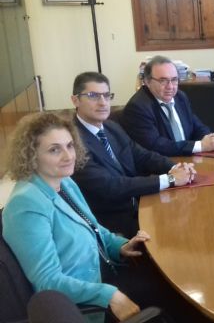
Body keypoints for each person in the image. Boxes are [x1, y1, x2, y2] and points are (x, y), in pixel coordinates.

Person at [2, 112, 147, 321]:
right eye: (54, 150)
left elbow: (95, 227)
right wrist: (109, 295)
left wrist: (120, 246)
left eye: (70, 146)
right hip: (85, 304)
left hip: (104, 275)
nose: (68, 156)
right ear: (31, 155)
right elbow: (48, 281)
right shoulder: (26, 205)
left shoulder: (65, 182)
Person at [70, 72, 195, 238]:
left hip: (139, 203)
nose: (102, 103)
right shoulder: (72, 142)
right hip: (111, 223)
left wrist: (176, 167)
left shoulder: (111, 127)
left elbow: (142, 155)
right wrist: (170, 179)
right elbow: (112, 186)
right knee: (178, 235)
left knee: (190, 217)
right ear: (75, 100)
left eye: (107, 96)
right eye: (93, 96)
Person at [120, 55, 214, 157]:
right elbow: (155, 145)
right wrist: (200, 146)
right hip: (162, 166)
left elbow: (196, 125)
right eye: (163, 81)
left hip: (189, 160)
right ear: (147, 81)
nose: (170, 86)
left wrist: (211, 139)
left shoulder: (180, 97)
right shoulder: (138, 108)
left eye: (174, 80)